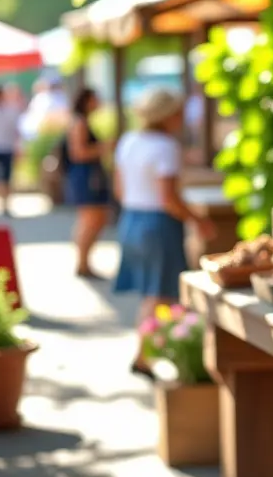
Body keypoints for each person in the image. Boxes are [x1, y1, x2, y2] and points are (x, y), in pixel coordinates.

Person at [113, 88, 215, 373]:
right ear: (168, 115)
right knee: (160, 294)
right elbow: (168, 198)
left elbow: (120, 189)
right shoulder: (165, 146)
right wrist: (198, 220)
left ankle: (152, 352)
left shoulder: (129, 140)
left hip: (131, 218)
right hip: (157, 224)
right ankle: (145, 356)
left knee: (152, 293)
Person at [65, 88, 113, 277]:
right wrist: (104, 147)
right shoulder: (79, 123)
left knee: (92, 220)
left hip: (88, 176)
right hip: (86, 177)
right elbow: (79, 153)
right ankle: (83, 264)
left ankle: (84, 263)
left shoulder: (80, 121)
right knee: (90, 220)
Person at [0, 86, 22, 216]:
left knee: (6, 179)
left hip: (6, 148)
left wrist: (18, 147)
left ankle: (5, 206)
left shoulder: (9, 111)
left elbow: (15, 131)